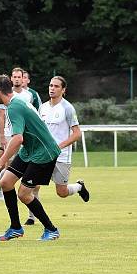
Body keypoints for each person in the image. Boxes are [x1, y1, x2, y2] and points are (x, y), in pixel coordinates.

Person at [0, 74, 62, 241]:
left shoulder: (13, 107)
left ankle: (51, 229)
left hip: (43, 152)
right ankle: (15, 228)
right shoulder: (16, 103)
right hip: (30, 150)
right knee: (5, 182)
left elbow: (17, 138)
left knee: (24, 194)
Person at [37, 75, 90, 204]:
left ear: (63, 90)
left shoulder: (67, 108)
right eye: (50, 85)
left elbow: (77, 134)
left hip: (61, 156)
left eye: (56, 86)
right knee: (31, 185)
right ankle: (31, 218)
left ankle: (79, 187)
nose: (52, 89)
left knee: (61, 192)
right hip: (43, 155)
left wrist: (58, 147)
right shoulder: (42, 107)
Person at [0, 67, 39, 202]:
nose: (18, 79)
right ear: (11, 78)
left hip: (24, 135)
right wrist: (2, 137)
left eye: (20, 76)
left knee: (18, 164)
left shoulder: (29, 95)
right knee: (9, 164)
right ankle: (2, 187)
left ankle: (2, 186)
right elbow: (1, 116)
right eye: (15, 76)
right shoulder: (6, 95)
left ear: (24, 79)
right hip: (10, 133)